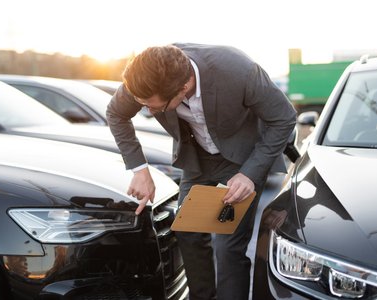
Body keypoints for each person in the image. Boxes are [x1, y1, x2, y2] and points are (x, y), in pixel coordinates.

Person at [106, 43, 297, 300]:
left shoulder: (239, 71)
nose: (148, 111)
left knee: (227, 245)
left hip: (241, 161)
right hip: (196, 160)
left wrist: (250, 174)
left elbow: (283, 117)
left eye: (155, 108)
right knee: (187, 230)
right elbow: (116, 113)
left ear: (183, 88)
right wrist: (140, 170)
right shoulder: (147, 79)